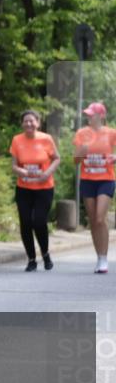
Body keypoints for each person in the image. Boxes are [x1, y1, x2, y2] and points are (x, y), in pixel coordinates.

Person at [9, 110, 60, 271]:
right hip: (24, 188)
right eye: (26, 121)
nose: (29, 124)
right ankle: (31, 259)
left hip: (44, 188)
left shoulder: (46, 139)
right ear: (22, 124)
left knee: (38, 221)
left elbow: (57, 158)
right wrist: (21, 171)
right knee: (25, 223)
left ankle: (45, 254)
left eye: (32, 121)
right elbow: (14, 165)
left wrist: (47, 173)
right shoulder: (17, 140)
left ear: (38, 123)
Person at [73, 102, 116, 274]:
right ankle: (99, 257)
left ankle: (104, 258)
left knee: (99, 218)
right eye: (88, 114)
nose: (89, 117)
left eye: (92, 114)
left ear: (102, 116)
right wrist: (82, 150)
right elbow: (75, 161)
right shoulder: (82, 133)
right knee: (92, 220)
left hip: (106, 179)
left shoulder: (111, 133)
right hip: (87, 180)